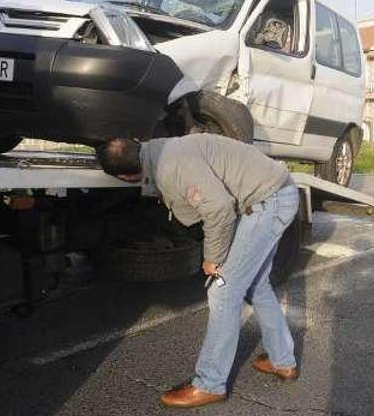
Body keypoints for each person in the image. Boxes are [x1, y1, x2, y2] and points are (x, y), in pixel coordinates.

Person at [97, 133, 300, 409]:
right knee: (256, 285)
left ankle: (209, 384)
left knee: (223, 291)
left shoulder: (171, 168)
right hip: (274, 194)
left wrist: (213, 258)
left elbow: (219, 209)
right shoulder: (160, 149)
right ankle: (282, 361)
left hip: (267, 202)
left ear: (128, 177)